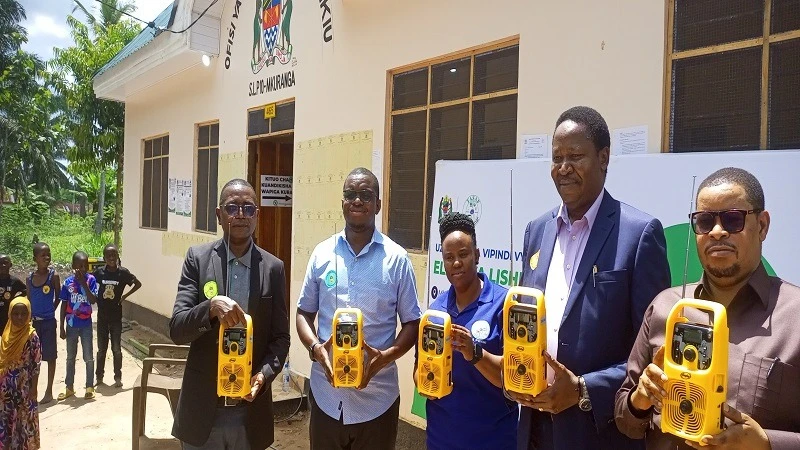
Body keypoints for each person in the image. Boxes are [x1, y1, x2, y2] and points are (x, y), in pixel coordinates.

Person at [513, 106, 671, 449]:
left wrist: (584, 389)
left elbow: (653, 355)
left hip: (598, 431)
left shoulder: (640, 234)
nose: (563, 168)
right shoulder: (536, 231)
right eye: (556, 157)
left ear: (603, 158)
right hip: (535, 426)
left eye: (575, 156)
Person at [615, 167, 800, 449]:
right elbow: (625, 418)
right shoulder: (666, 308)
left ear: (762, 225)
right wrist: (640, 400)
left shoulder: (794, 316)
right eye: (704, 221)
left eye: (733, 219)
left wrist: (767, 442)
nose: (716, 232)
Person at [296, 167, 422, 450]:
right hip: (326, 398)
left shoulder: (396, 260)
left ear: (377, 204)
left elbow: (413, 323)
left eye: (365, 195)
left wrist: (385, 358)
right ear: (342, 202)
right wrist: (316, 349)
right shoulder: (322, 254)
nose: (357, 201)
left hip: (377, 402)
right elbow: (304, 313)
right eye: (350, 194)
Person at [170, 178, 290, 450]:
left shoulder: (273, 268)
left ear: (257, 216)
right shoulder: (197, 260)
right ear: (218, 215)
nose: (240, 215)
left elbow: (281, 338)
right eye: (232, 208)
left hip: (250, 417)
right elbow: (177, 328)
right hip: (202, 416)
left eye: (248, 209)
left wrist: (264, 375)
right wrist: (210, 307)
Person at [419, 212, 517, 450]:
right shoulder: (436, 310)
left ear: (477, 255)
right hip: (442, 437)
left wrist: (475, 353)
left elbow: (512, 378)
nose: (456, 263)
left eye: (463, 254)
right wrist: (426, 385)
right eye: (449, 257)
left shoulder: (504, 304)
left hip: (493, 438)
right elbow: (418, 371)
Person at [93, 243, 141, 387]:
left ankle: (118, 377)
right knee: (101, 349)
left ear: (117, 256)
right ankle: (99, 377)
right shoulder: (99, 272)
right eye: (109, 256)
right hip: (101, 317)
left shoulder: (123, 273)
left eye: (114, 255)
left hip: (116, 318)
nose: (112, 258)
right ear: (104, 257)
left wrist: (125, 296)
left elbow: (137, 284)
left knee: (116, 349)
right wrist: (94, 296)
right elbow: (90, 283)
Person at [0, 297, 42, 450]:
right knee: (7, 420)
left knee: (23, 422)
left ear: (29, 314)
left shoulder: (32, 337)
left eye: (23, 314)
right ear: (10, 314)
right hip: (5, 390)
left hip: (24, 388)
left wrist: (34, 388)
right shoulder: (6, 335)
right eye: (15, 313)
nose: (19, 317)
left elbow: (36, 364)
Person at [58, 251, 98, 401]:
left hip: (86, 325)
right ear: (73, 266)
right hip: (71, 325)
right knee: (70, 357)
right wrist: (61, 326)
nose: (83, 269)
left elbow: (93, 300)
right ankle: (69, 387)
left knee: (88, 356)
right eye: (79, 266)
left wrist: (83, 284)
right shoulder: (67, 283)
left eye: (85, 266)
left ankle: (89, 387)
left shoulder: (91, 280)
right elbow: (63, 305)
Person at [27, 242, 61, 404]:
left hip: (48, 322)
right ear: (35, 259)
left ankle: (49, 391)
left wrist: (50, 310)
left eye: (49, 254)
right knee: (34, 358)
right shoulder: (30, 278)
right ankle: (33, 389)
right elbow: (28, 300)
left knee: (50, 355)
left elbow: (59, 297)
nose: (47, 258)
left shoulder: (53, 276)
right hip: (34, 324)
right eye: (43, 255)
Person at [0, 254, 27, 331]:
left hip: (8, 316)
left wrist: (15, 299)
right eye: (0, 263)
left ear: (10, 265)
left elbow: (26, 291)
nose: (3, 265)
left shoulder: (14, 281)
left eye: (5, 263)